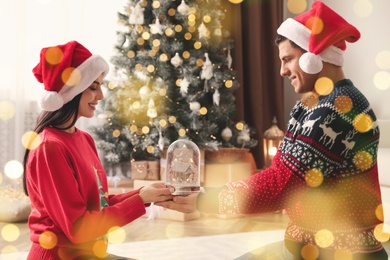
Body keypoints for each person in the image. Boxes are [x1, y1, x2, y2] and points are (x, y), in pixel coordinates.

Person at [156, 2, 389, 259]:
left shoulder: (339, 108)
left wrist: (205, 199)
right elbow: (279, 170)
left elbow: (282, 186)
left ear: (314, 57)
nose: (282, 71)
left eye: (288, 59)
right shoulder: (313, 104)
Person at [23, 40, 173, 259]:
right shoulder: (49, 148)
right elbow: (78, 227)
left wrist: (143, 194)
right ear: (71, 92)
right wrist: (139, 201)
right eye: (93, 87)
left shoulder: (84, 139)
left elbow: (97, 204)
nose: (101, 96)